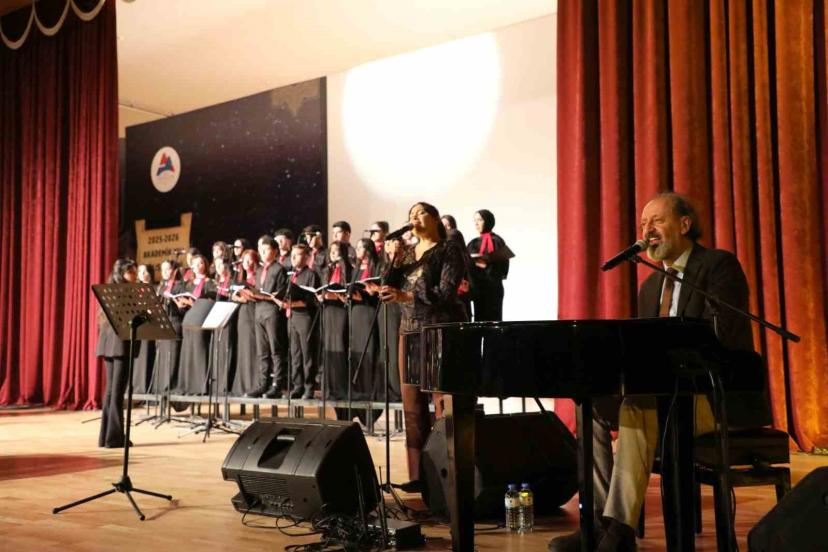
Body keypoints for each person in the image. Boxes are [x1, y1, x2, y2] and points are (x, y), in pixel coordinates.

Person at [548, 192, 758, 552]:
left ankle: (619, 529)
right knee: (591, 405)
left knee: (638, 407)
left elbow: (724, 336)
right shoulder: (651, 287)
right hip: (665, 398)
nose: (647, 230)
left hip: (715, 397)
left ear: (684, 224)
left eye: (657, 221)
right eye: (643, 224)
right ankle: (596, 524)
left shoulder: (718, 266)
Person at [381, 202, 468, 488]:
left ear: (435, 218)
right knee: (412, 405)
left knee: (443, 402)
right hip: (409, 331)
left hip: (440, 330)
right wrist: (394, 260)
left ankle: (449, 476)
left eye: (419, 213)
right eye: (410, 215)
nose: (414, 218)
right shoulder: (407, 252)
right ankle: (418, 477)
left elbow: (446, 292)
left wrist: (407, 297)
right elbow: (387, 287)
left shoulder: (449, 249)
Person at [96, 258, 138, 448]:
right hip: (120, 346)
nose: (134, 275)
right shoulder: (126, 293)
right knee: (117, 392)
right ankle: (114, 437)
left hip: (108, 345)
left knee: (111, 391)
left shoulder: (110, 292)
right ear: (121, 274)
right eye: (131, 272)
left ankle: (105, 436)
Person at [247, 235, 288, 398]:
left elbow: (280, 294)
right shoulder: (259, 270)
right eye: (261, 250)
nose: (263, 253)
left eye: (266, 250)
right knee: (262, 350)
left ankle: (277, 384)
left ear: (275, 251)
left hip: (272, 311)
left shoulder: (279, 269)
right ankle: (262, 383)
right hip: (259, 310)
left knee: (275, 349)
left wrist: (269, 296)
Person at [172, 254, 217, 395]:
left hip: (201, 320)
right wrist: (180, 303)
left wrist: (194, 303)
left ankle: (199, 386)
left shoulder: (210, 283)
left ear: (205, 265)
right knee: (187, 352)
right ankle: (186, 385)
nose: (197, 266)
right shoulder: (188, 284)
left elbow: (210, 302)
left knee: (199, 350)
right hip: (188, 319)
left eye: (200, 263)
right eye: (195, 264)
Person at [350, 238, 383, 425]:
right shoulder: (355, 269)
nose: (358, 250)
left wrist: (370, 292)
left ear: (369, 249)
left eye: (361, 247)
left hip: (369, 312)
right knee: (356, 355)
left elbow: (378, 292)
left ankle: (371, 395)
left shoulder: (376, 267)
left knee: (369, 352)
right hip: (356, 312)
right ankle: (358, 397)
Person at [284, 244, 321, 398]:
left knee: (307, 353)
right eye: (292, 254)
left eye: (297, 254)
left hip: (305, 316)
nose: (293, 258)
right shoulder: (291, 274)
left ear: (306, 257)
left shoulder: (311, 275)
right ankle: (297, 386)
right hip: (292, 316)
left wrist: (291, 303)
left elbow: (312, 300)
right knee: (295, 353)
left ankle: (309, 387)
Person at [320, 241, 352, 407]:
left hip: (340, 311)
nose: (333, 254)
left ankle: (341, 388)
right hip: (328, 310)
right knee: (328, 347)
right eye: (331, 251)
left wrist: (337, 296)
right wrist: (321, 296)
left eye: (336, 251)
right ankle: (329, 388)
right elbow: (323, 290)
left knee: (339, 344)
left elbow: (348, 295)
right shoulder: (327, 270)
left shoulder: (348, 270)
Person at [466, 209, 510, 321]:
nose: (476, 223)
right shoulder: (472, 243)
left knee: (493, 321)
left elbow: (503, 268)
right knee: (479, 321)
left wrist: (486, 266)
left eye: (480, 220)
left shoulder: (497, 241)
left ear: (488, 221)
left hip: (493, 289)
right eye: (475, 220)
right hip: (478, 289)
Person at [230, 248, 262, 396]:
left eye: (250, 260)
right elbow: (233, 296)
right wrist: (237, 297)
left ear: (255, 261)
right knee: (243, 347)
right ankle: (241, 384)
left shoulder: (258, 276)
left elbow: (260, 295)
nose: (247, 263)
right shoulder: (239, 277)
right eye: (244, 260)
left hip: (253, 311)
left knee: (252, 347)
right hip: (242, 313)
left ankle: (253, 384)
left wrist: (249, 295)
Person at [155, 259, 184, 399]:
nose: (165, 272)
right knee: (161, 358)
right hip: (161, 324)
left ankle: (170, 389)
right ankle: (160, 390)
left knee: (172, 357)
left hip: (174, 322)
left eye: (168, 269)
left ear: (174, 270)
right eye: (163, 269)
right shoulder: (161, 287)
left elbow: (183, 308)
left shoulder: (179, 286)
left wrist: (176, 302)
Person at [132, 263, 156, 394]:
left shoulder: (155, 289)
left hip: (150, 326)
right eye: (140, 271)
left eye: (145, 271)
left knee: (147, 355)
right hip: (138, 326)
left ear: (150, 274)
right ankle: (135, 387)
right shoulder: (135, 290)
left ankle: (145, 387)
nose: (142, 274)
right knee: (137, 356)